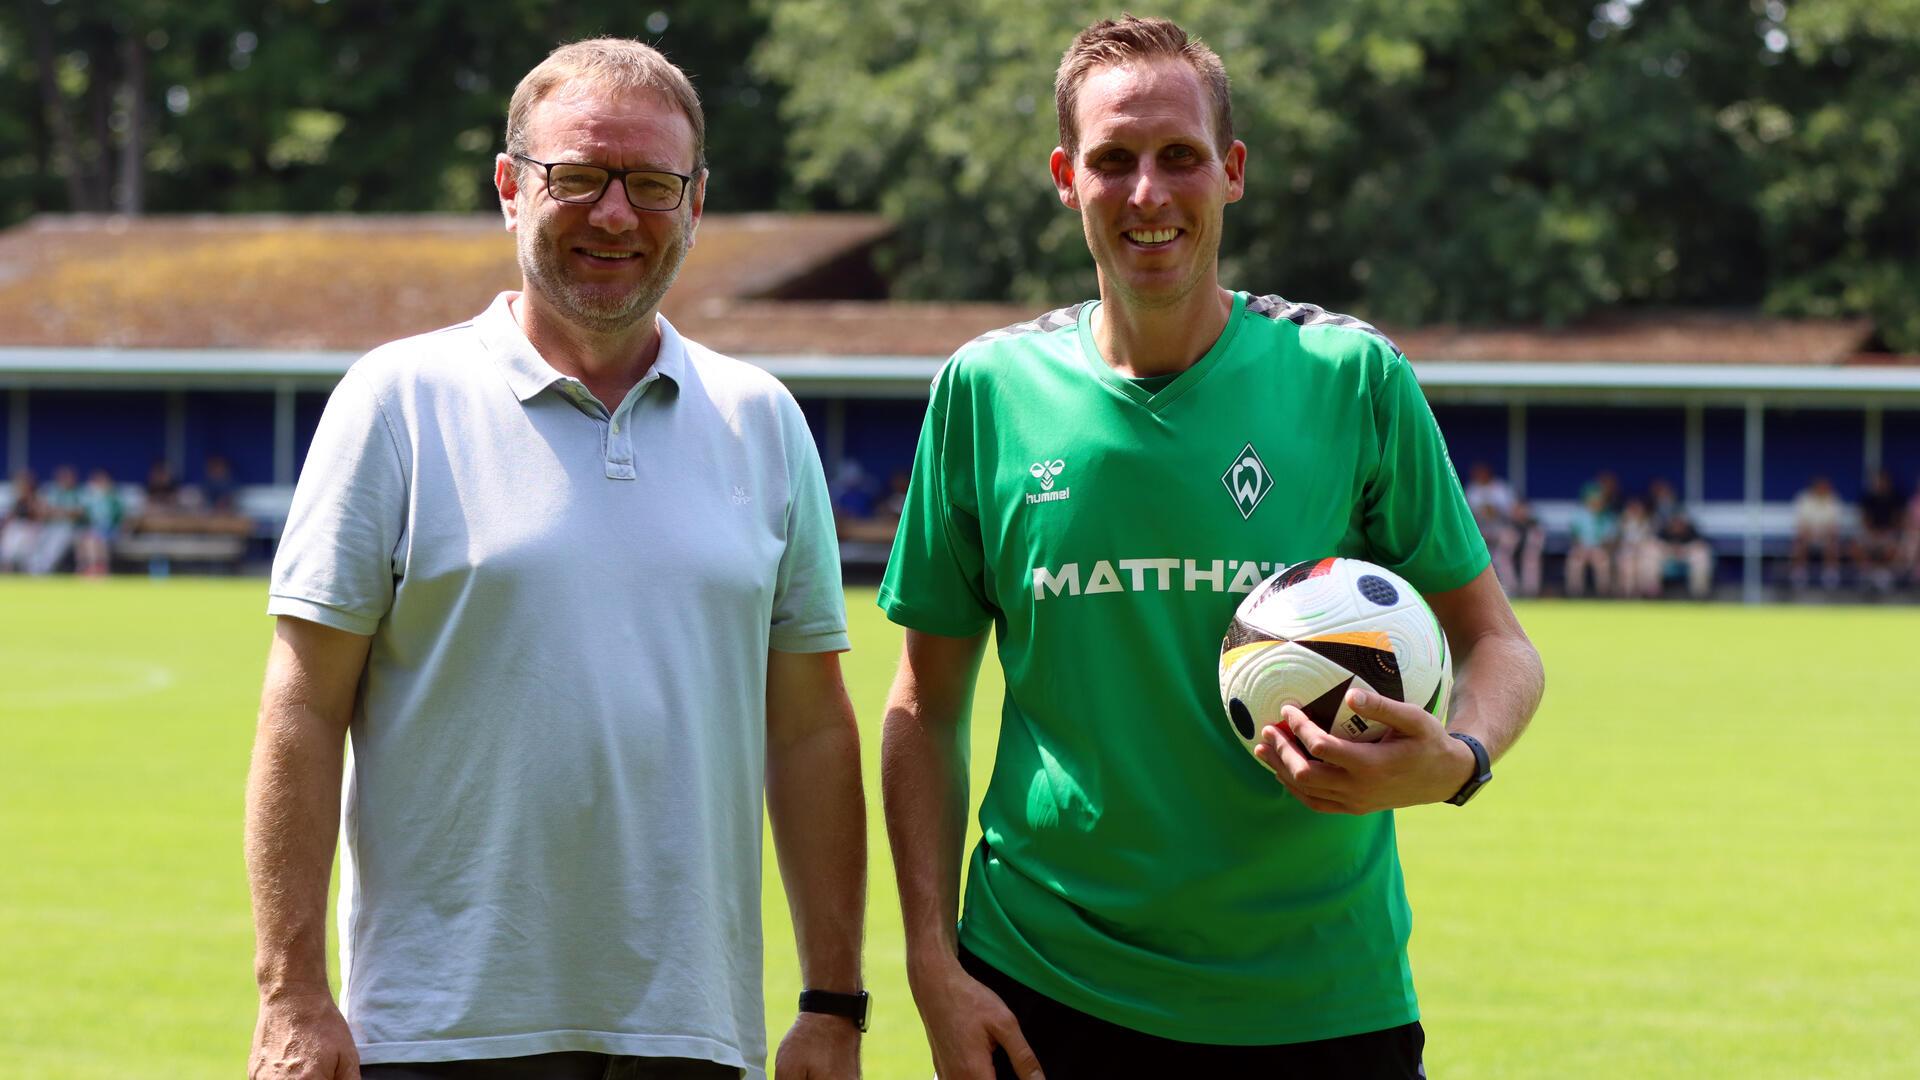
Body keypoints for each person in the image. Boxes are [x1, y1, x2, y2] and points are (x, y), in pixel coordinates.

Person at [877, 16, 1544, 1080]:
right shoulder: (987, 394)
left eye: (1180, 157)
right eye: (1113, 161)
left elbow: (1497, 644)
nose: (1148, 193)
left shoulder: (1349, 377)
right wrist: (929, 962)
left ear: (1231, 173)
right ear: (1065, 177)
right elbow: (925, 702)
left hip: (1320, 996)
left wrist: (1454, 760)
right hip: (1043, 988)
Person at [245, 39, 866, 1080]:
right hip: (441, 1031)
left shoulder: (761, 420)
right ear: (509, 187)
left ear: (696, 201)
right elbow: (302, 710)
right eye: (576, 178)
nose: (616, 215)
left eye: (653, 185)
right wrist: (293, 995)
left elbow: (808, 732)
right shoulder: (398, 402)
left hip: (693, 1032)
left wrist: (833, 1002)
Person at [1852, 468, 1903, 594]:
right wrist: (1872, 532)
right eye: (1878, 481)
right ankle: (1867, 575)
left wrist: (1887, 532)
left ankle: (1883, 577)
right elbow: (1865, 519)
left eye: (1883, 481)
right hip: (1871, 533)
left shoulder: (1895, 497)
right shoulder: (1868, 498)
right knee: (1855, 546)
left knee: (1893, 547)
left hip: (1889, 533)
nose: (1880, 484)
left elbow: (1898, 519)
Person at [1789, 475, 1844, 589]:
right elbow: (1801, 524)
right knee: (1799, 543)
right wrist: (1811, 534)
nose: (1822, 489)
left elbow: (1834, 526)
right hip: (1808, 536)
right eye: (1820, 487)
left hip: (1826, 537)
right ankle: (1799, 576)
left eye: (1825, 487)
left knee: (1833, 543)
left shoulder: (1833, 500)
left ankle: (1830, 576)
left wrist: (1823, 535)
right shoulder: (1804, 499)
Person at [1563, 486, 1617, 597]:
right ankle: (1574, 594)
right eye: (1593, 500)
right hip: (1581, 549)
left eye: (1598, 500)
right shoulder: (1579, 515)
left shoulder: (1607, 516)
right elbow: (1574, 536)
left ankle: (1603, 594)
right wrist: (1582, 548)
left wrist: (1598, 549)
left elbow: (1611, 540)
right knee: (1575, 562)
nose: (1595, 503)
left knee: (1602, 562)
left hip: (1599, 550)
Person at [74, 467, 124, 576]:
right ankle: (86, 568)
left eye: (102, 481)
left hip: (111, 532)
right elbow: (84, 518)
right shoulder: (89, 499)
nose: (99, 484)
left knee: (94, 539)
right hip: (92, 532)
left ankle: (99, 569)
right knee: (87, 539)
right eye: (96, 481)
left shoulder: (115, 499)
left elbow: (118, 519)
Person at [0, 468, 42, 572]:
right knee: (8, 547)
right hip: (15, 528)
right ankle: (6, 569)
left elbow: (38, 517)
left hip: (30, 528)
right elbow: (9, 517)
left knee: (25, 551)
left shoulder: (36, 497)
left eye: (25, 483)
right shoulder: (13, 497)